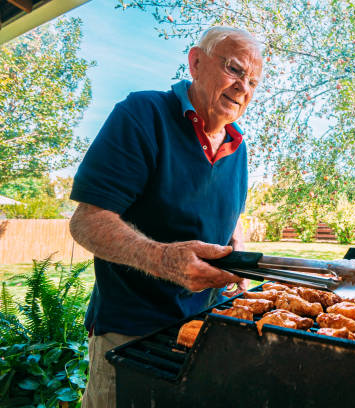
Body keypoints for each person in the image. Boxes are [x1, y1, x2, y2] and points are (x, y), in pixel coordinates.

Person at [69, 26, 263, 408]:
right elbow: (87, 220)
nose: (244, 87)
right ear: (195, 62)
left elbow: (224, 211)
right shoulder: (144, 114)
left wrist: (236, 245)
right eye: (235, 69)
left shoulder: (238, 146)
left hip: (205, 327)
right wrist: (163, 260)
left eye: (253, 81)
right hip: (129, 334)